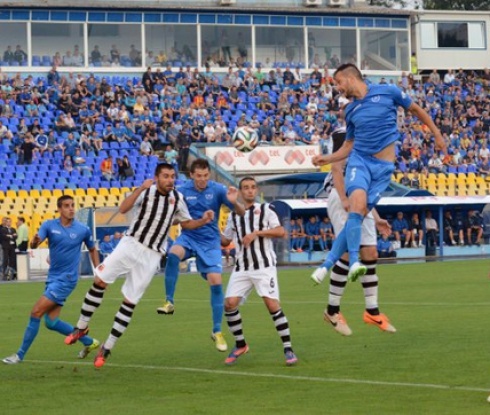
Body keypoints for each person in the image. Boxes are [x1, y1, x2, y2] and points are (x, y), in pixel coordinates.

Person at [64, 163, 214, 368]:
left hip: (151, 255)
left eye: (172, 176)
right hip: (131, 244)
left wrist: (202, 221)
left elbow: (186, 223)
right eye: (166, 176)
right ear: (157, 177)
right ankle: (81, 327)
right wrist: (141, 188)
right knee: (100, 280)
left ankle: (106, 348)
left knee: (129, 301)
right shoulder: (147, 192)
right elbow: (124, 208)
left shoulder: (177, 199)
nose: (170, 180)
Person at [311, 63, 445, 283]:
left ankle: (326, 265)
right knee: (356, 207)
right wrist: (327, 158)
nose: (337, 88)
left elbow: (416, 110)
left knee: (357, 214)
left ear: (351, 78)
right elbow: (348, 146)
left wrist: (437, 135)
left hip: (382, 169)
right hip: (360, 162)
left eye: (338, 82)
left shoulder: (388, 91)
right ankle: (352, 262)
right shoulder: (350, 110)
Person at [312, 126, 395, 335]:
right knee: (349, 253)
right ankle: (332, 311)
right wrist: (343, 198)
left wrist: (376, 218)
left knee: (370, 253)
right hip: (341, 197)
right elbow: (337, 168)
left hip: (359, 199)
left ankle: (372, 311)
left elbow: (362, 186)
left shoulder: (370, 139)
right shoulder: (345, 132)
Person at [156, 159, 245, 353]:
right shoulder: (182, 191)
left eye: (206, 176)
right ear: (191, 175)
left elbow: (241, 212)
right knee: (173, 254)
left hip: (210, 241)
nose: (203, 180)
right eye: (199, 176)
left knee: (216, 282)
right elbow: (171, 217)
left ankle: (217, 330)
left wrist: (233, 201)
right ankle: (169, 301)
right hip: (188, 236)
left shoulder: (218, 190)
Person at [2, 196, 100, 364]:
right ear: (59, 209)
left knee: (36, 312)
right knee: (51, 322)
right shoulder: (49, 225)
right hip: (53, 278)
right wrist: (34, 242)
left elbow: (92, 249)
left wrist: (99, 271)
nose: (71, 209)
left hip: (67, 280)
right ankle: (90, 342)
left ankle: (19, 355)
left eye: (72, 205)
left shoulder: (83, 229)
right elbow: (34, 244)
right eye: (67, 206)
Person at [221, 177, 298, 366]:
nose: (250, 191)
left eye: (253, 187)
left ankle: (288, 348)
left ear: (256, 191)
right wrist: (208, 227)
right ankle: (240, 344)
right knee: (229, 304)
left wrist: (257, 233)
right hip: (242, 267)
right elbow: (225, 240)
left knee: (272, 305)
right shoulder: (233, 215)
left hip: (263, 266)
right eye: (245, 188)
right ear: (239, 192)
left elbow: (281, 231)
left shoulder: (266, 210)